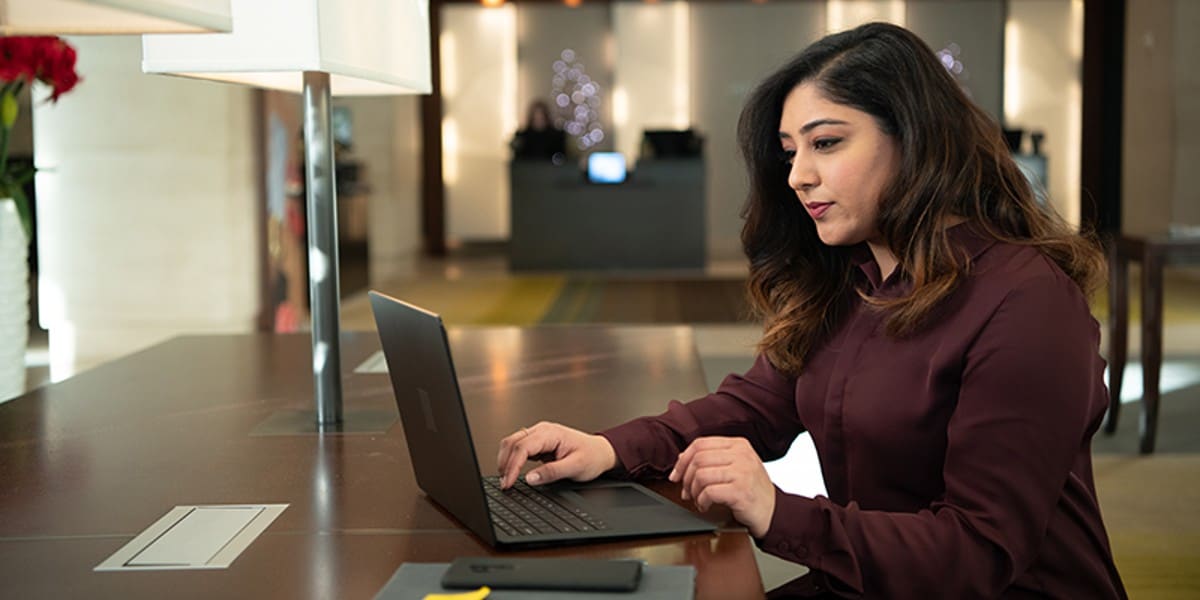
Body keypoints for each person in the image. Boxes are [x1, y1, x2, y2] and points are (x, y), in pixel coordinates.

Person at [496, 22, 1127, 599]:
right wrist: (606, 449)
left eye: (826, 143)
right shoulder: (851, 278)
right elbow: (754, 407)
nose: (798, 175)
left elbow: (981, 553)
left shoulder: (1028, 303)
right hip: (870, 580)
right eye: (790, 151)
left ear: (916, 139)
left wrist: (778, 510)